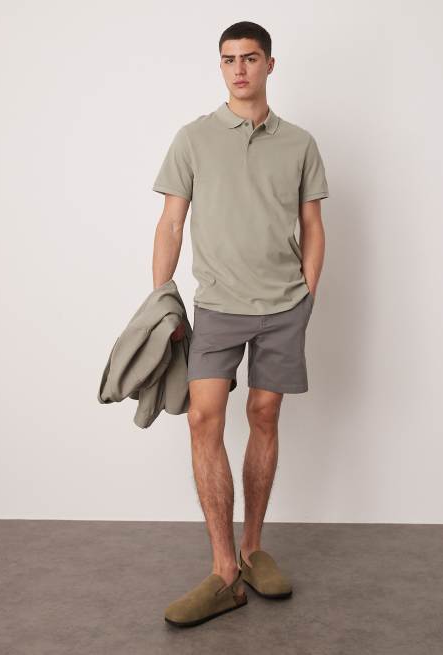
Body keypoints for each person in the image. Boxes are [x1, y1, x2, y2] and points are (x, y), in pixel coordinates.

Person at [151, 20, 329, 627]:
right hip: (218, 305)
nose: (239, 69)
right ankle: (223, 570)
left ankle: (252, 550)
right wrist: (161, 300)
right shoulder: (193, 138)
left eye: (250, 58)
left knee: (264, 415)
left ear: (269, 65)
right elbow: (171, 223)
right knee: (203, 417)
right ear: (220, 66)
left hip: (284, 307)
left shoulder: (299, 143)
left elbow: (313, 225)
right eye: (228, 59)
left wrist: (307, 294)